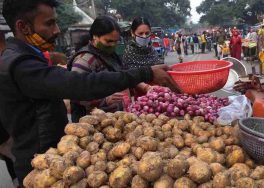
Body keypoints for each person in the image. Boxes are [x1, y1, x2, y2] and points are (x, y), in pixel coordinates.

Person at [0, 0, 180, 185]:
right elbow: (79, 84)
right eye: (49, 23)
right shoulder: (20, 65)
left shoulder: (26, 58)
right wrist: (146, 72)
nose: (56, 30)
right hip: (40, 165)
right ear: (23, 27)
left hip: (55, 156)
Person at [68, 16, 132, 122]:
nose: (113, 45)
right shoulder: (85, 60)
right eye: (108, 41)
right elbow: (75, 93)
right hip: (92, 122)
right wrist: (104, 101)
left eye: (115, 41)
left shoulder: (110, 55)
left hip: (112, 120)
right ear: (95, 37)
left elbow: (123, 75)